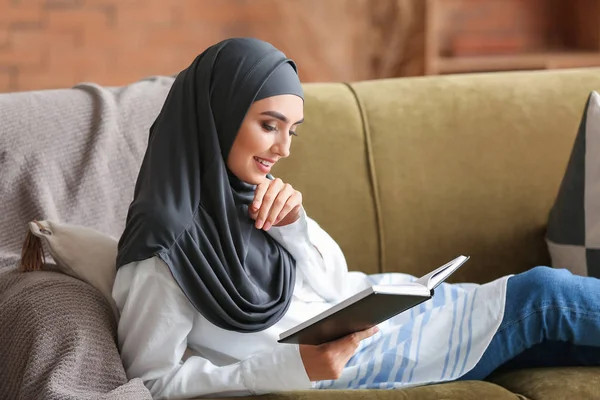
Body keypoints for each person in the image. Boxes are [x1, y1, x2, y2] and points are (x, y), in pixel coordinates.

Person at [112, 38, 600, 399]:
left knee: (554, 328)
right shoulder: (163, 245)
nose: (282, 149)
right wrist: (291, 367)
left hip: (386, 318)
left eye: (292, 132)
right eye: (268, 126)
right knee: (542, 295)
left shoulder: (249, 196)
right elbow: (152, 382)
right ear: (216, 115)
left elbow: (334, 284)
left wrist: (295, 224)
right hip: (367, 356)